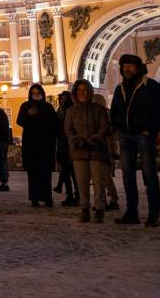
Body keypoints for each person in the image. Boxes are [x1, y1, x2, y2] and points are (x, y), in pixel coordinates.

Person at [109, 54, 160, 227]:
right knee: (127, 176)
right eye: (125, 66)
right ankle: (131, 212)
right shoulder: (120, 88)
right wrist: (118, 127)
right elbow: (115, 111)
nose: (127, 69)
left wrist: (151, 130)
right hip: (126, 136)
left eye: (131, 66)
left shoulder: (151, 87)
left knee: (149, 176)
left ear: (139, 68)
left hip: (144, 136)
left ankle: (153, 215)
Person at [64, 79, 111, 223]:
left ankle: (99, 209)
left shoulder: (99, 109)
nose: (82, 93)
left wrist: (94, 140)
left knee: (99, 182)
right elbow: (68, 130)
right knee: (82, 183)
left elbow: (104, 127)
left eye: (84, 90)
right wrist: (77, 141)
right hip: (79, 152)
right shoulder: (71, 111)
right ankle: (84, 209)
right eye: (79, 90)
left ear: (89, 91)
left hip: (96, 151)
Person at [17, 84, 60, 207]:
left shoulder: (48, 107)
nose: (36, 95)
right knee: (33, 173)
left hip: (45, 144)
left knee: (45, 173)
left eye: (38, 93)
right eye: (33, 93)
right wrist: (28, 115)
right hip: (31, 145)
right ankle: (34, 198)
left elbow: (55, 125)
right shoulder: (25, 106)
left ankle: (47, 198)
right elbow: (19, 121)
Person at [54, 91, 80, 206]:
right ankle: (73, 195)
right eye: (61, 98)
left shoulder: (71, 110)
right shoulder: (60, 110)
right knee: (67, 172)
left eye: (64, 98)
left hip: (68, 144)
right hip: (61, 144)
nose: (62, 100)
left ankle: (73, 195)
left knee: (70, 173)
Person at [0, 102, 12, 192]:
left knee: (0, 161)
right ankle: (4, 182)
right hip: (3, 141)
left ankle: (4, 182)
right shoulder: (2, 113)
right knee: (2, 161)